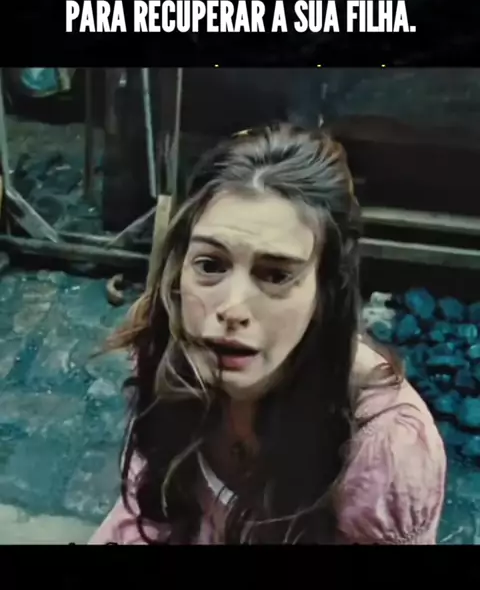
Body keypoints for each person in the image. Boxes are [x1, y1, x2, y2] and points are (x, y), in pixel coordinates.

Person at [89, 123, 446, 545]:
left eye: (275, 275)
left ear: (325, 292)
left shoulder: (383, 447)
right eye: (210, 265)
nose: (232, 309)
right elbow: (152, 505)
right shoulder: (172, 346)